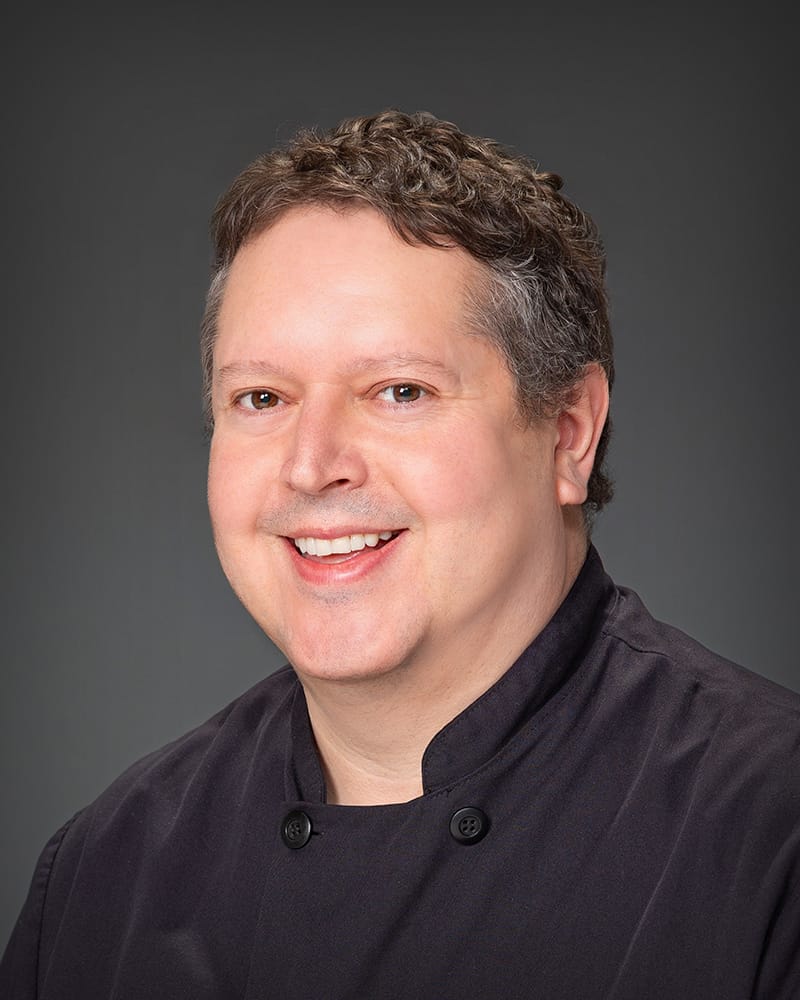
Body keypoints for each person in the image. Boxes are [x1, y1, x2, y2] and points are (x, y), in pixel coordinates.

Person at [1, 109, 798, 999]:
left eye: (399, 391)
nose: (312, 466)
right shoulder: (106, 876)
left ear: (569, 434)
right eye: (262, 398)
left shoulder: (769, 837)